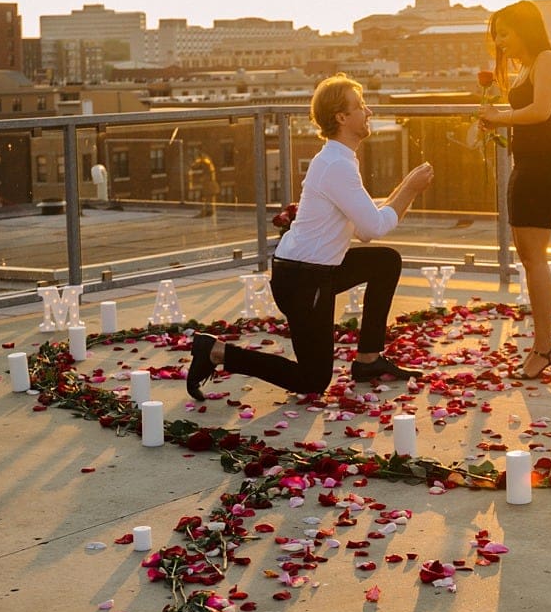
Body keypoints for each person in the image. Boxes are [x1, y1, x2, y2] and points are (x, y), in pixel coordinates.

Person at [185, 75, 432, 400]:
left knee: (385, 262)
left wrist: (404, 191)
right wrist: (409, 188)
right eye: (360, 106)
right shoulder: (336, 165)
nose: (369, 111)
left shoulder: (340, 161)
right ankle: (216, 352)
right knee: (312, 380)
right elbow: (373, 228)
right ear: (342, 117)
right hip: (303, 280)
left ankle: (368, 359)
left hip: (316, 271)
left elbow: (362, 230)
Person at [476, 0, 551, 379]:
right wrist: (497, 119)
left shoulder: (547, 58)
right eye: (496, 36)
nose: (499, 43)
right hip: (527, 167)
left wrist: (502, 116)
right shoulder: (527, 66)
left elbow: (542, 111)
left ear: (525, 28)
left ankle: (545, 347)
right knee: (530, 260)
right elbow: (524, 115)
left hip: (542, 169)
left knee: (535, 260)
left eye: (504, 34)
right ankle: (543, 344)